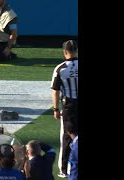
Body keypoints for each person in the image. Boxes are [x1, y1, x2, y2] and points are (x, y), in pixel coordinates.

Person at [50, 40, 78, 178]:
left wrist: (55, 109)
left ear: (64, 51)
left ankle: (64, 169)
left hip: (69, 106)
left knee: (66, 137)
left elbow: (55, 91)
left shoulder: (60, 68)